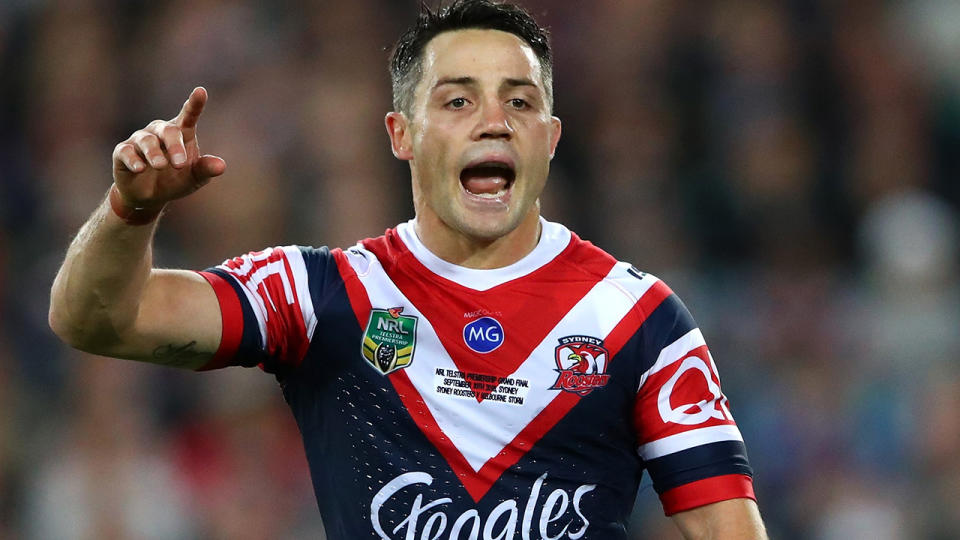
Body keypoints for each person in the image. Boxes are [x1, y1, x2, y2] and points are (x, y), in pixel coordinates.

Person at [48, 1, 767, 538]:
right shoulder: (319, 295)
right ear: (401, 134)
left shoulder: (639, 321)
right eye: (458, 100)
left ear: (549, 139)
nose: (495, 121)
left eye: (520, 101)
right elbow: (95, 320)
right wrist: (128, 211)